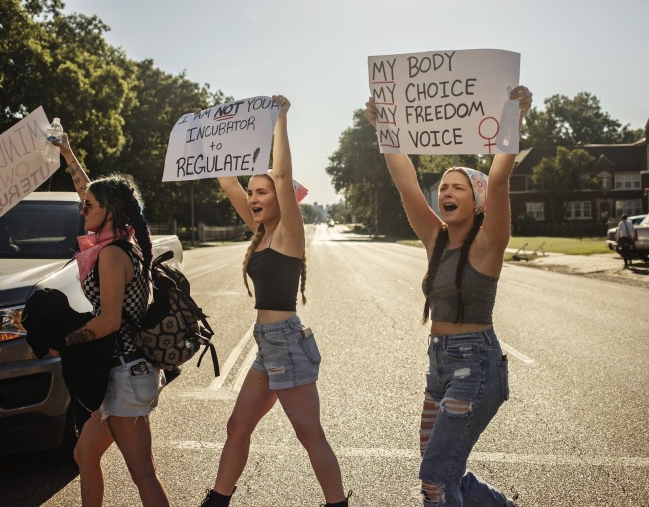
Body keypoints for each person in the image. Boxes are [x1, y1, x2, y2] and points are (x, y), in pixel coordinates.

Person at [365, 85, 532, 507]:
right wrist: (386, 127)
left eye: (458, 188)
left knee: (434, 480)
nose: (446, 193)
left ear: (476, 202)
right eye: (443, 187)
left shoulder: (488, 243)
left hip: (474, 365)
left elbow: (498, 178)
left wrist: (512, 114)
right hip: (440, 364)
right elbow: (405, 182)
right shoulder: (435, 239)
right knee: (444, 467)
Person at [199, 95, 350, 507]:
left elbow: (282, 174)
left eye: (261, 191)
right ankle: (217, 500)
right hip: (267, 345)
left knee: (308, 434)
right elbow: (228, 183)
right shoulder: (261, 232)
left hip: (285, 341)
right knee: (237, 426)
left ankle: (338, 504)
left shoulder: (288, 233)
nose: (253, 197)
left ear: (280, 197)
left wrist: (280, 118)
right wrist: (210, 133)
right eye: (253, 192)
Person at [54, 134, 170, 507]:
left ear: (109, 211)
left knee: (143, 474)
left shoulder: (111, 255)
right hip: (119, 372)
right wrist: (67, 152)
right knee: (84, 455)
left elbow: (108, 322)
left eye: (88, 207)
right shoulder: (121, 239)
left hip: (126, 374)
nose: (82, 209)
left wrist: (62, 340)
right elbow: (89, 190)